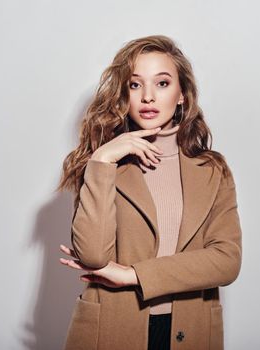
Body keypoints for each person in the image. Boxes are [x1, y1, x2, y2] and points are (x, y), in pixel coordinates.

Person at [56, 34, 242, 350]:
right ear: (124, 94)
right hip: (112, 330)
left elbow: (227, 261)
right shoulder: (104, 164)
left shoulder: (212, 169)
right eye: (135, 84)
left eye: (162, 83)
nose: (148, 97)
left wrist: (134, 275)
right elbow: (93, 256)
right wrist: (102, 159)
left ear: (182, 94)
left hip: (191, 329)